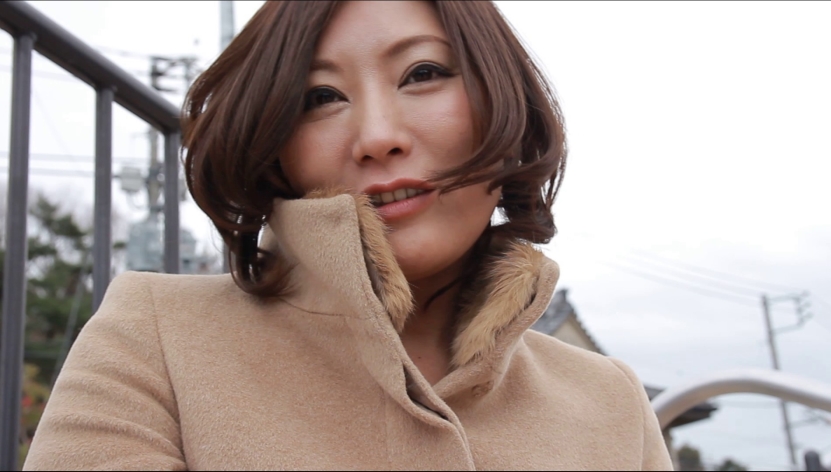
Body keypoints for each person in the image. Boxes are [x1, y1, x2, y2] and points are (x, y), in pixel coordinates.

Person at [24, 1, 672, 470]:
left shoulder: (610, 400)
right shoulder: (155, 337)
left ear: (507, 105)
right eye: (319, 97)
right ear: (275, 147)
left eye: (423, 73)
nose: (377, 136)